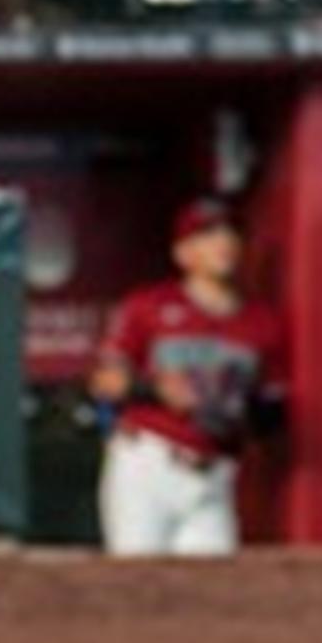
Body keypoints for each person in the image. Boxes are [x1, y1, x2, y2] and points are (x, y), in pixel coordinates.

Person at [91, 200, 287, 558]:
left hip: (215, 472)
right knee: (137, 585)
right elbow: (104, 379)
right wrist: (156, 389)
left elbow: (271, 408)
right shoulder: (149, 305)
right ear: (183, 253)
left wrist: (243, 412)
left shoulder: (262, 322)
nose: (222, 242)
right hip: (149, 462)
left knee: (210, 596)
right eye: (207, 234)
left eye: (228, 232)